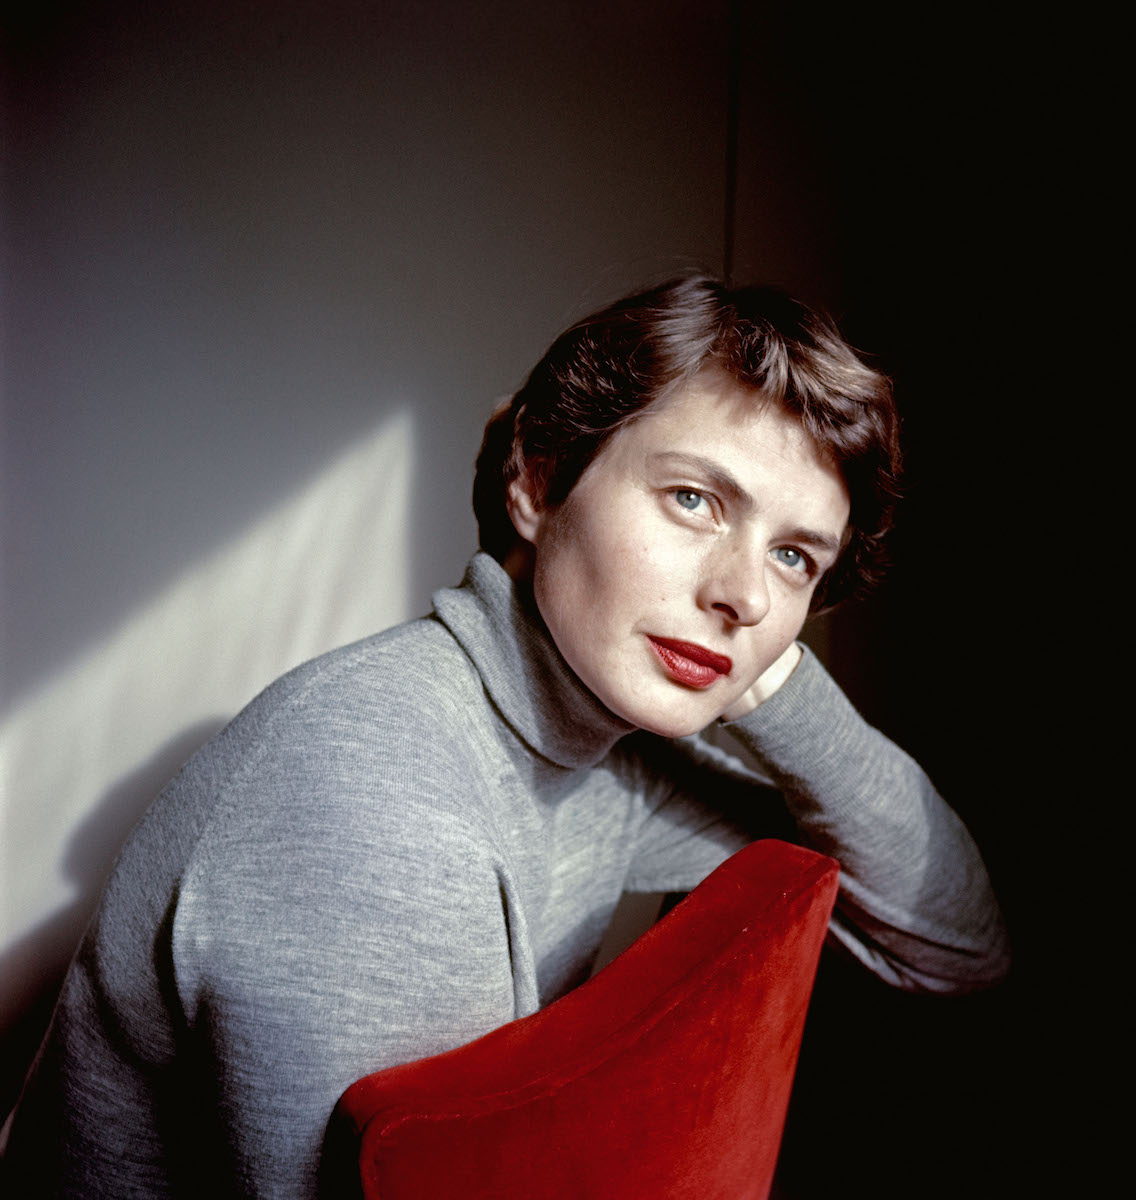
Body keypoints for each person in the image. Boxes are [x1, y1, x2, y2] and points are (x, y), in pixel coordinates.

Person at [2, 277, 1010, 1197]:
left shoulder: (611, 754)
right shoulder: (372, 799)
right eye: (693, 499)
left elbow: (952, 940)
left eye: (794, 557)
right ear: (538, 479)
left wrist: (776, 687)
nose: (742, 594)